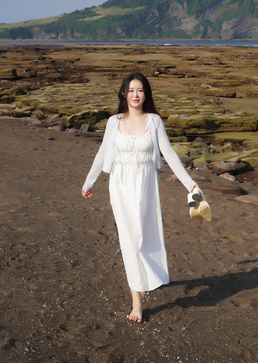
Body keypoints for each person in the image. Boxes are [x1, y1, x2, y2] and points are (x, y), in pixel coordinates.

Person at [81, 71, 210, 323]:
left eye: (140, 90)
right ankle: (136, 303)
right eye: (131, 90)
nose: (135, 95)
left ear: (146, 94)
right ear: (123, 94)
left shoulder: (154, 121)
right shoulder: (113, 121)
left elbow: (169, 153)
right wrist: (89, 182)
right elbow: (102, 153)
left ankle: (144, 276)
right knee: (130, 240)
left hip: (147, 185)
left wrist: (190, 184)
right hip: (120, 185)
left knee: (145, 235)